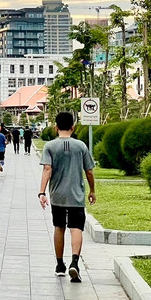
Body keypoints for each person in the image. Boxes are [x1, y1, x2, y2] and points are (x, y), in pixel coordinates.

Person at [39, 111, 96, 282]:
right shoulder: (81, 146)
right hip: (76, 195)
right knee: (76, 228)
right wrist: (92, 190)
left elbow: (47, 169)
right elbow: (89, 171)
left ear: (56, 127)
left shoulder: (50, 146)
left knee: (59, 227)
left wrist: (41, 192)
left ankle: (59, 265)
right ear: (73, 127)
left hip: (57, 195)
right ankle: (75, 262)